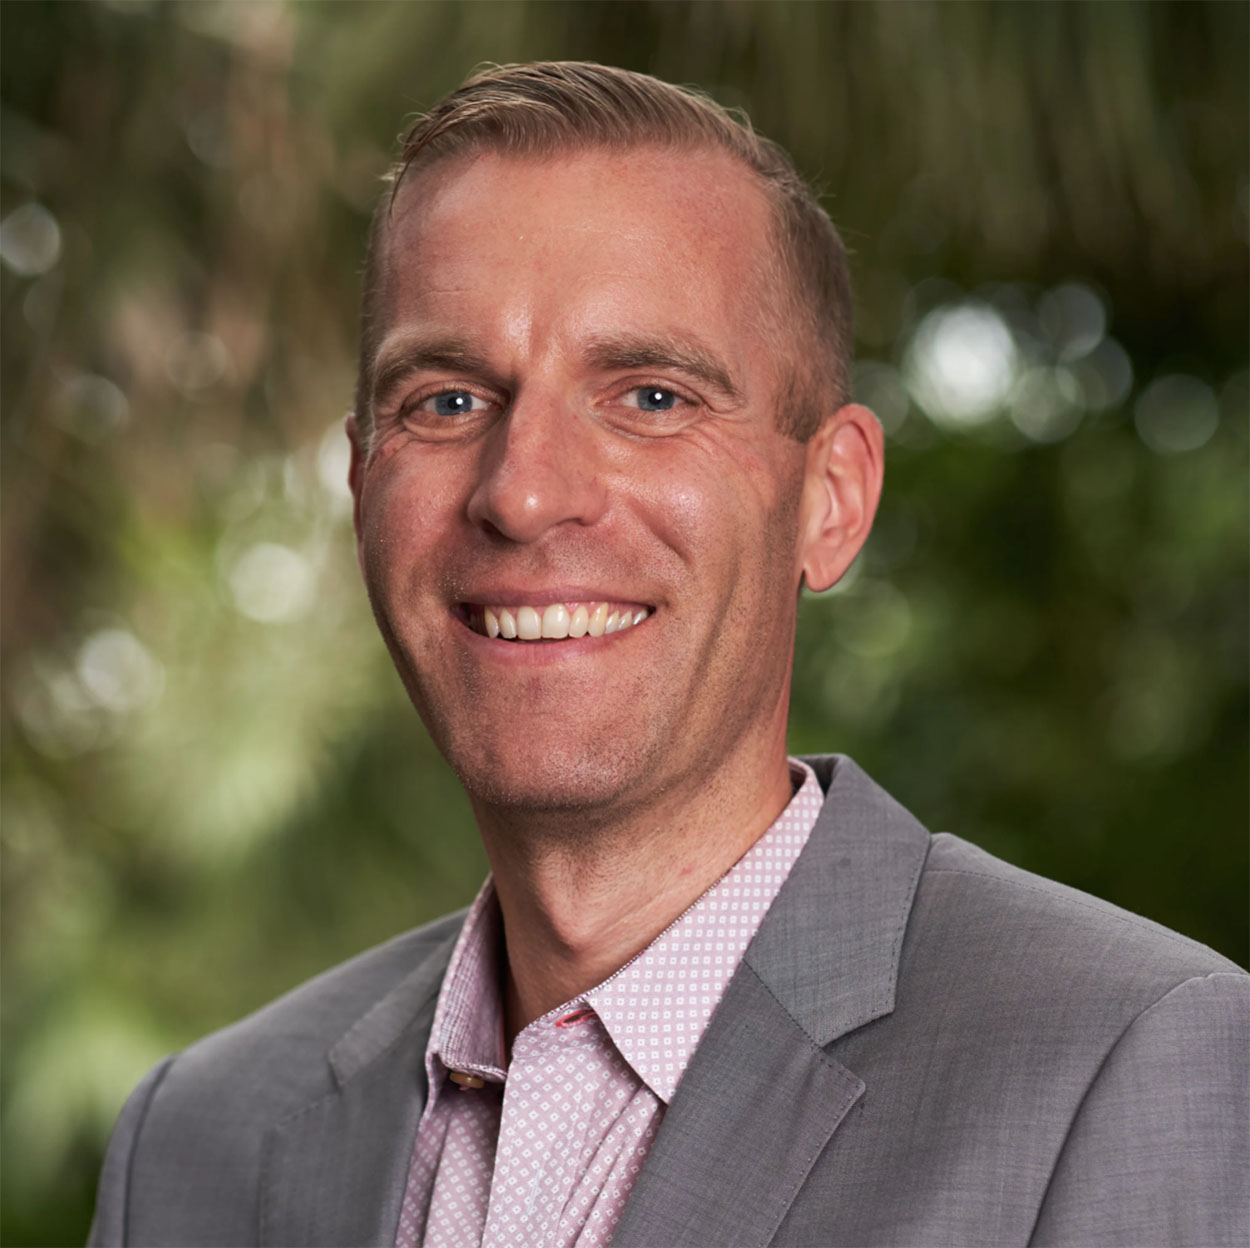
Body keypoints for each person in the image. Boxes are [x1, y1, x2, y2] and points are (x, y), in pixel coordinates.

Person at [89, 62, 1247, 1248]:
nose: (525, 491)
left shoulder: (1130, 1065)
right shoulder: (197, 1147)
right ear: (358, 478)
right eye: (444, 402)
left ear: (829, 499)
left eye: (648, 396)